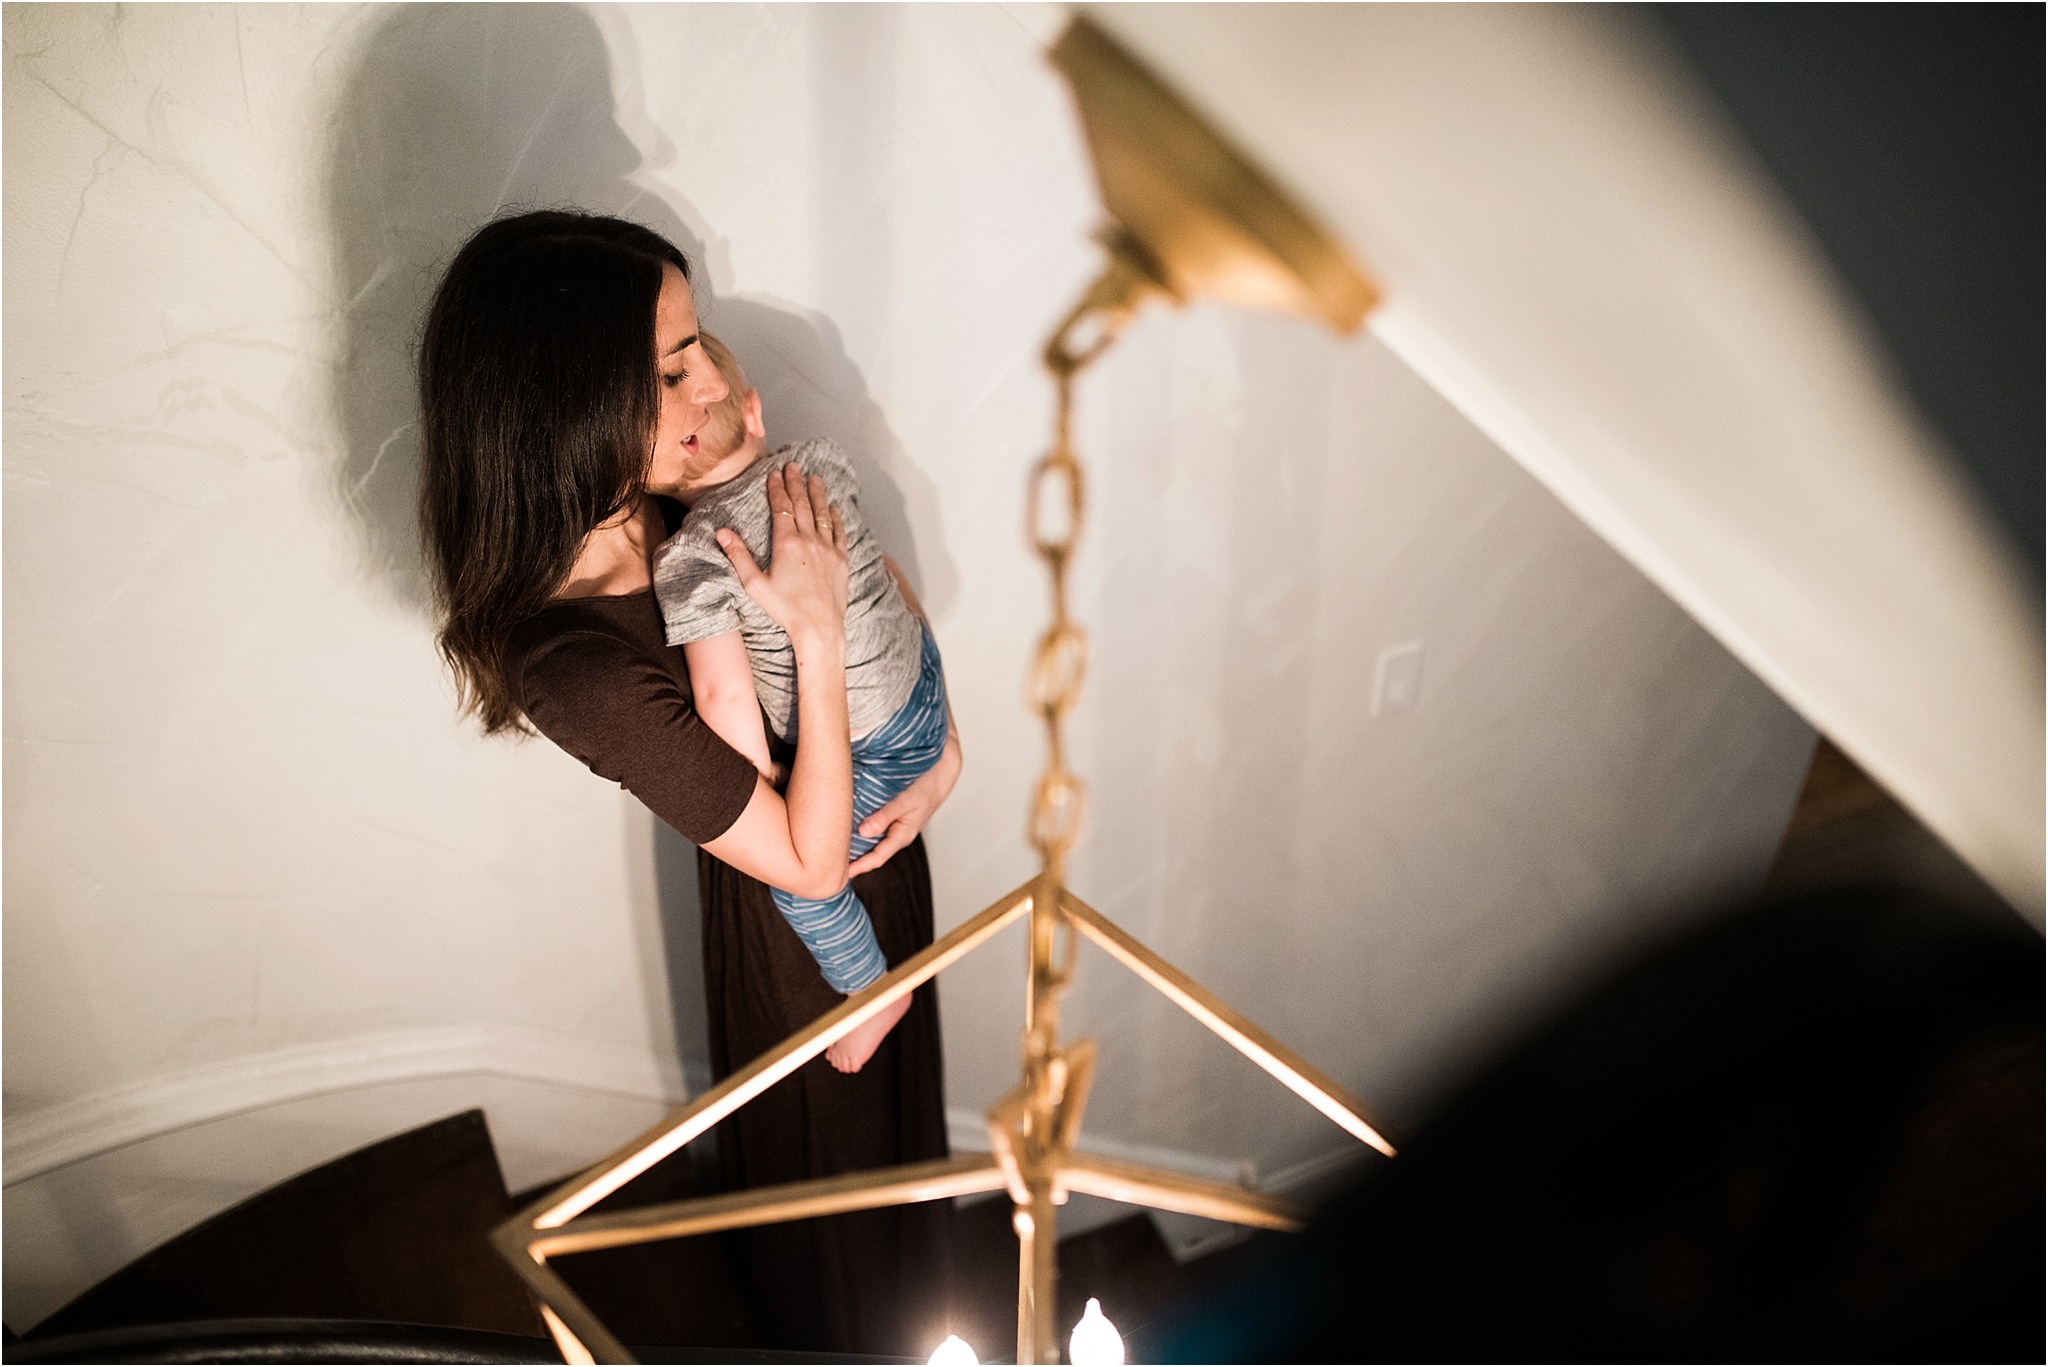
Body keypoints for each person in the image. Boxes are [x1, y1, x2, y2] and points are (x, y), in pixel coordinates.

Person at [416, 209, 959, 1355]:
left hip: (875, 828)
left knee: (902, 1152)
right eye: (671, 366)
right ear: (570, 407)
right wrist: (807, 635)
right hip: (794, 922)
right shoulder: (570, 662)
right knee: (834, 1174)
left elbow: (851, 568)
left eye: (696, 337)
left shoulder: (665, 483)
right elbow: (803, 863)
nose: (711, 377)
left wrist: (944, 749)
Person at [652, 332, 947, 1075]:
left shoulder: (692, 558)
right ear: (752, 411)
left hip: (873, 747)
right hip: (924, 690)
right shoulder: (818, 461)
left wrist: (766, 788)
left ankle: (874, 992)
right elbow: (881, 563)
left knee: (805, 886)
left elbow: (721, 692)